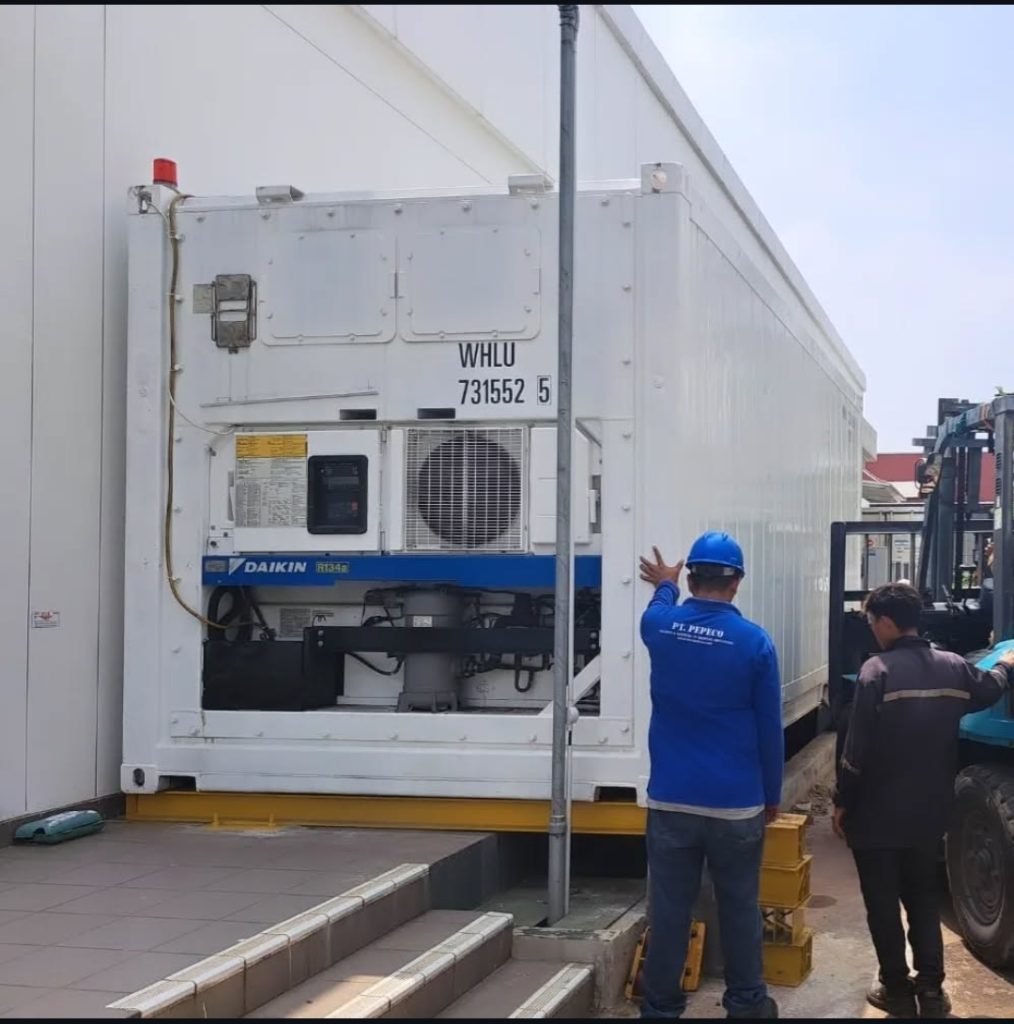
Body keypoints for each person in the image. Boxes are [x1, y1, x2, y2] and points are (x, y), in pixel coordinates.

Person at [833, 582, 1014, 1018]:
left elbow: (855, 755)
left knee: (882, 903)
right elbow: (990, 690)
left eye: (874, 621)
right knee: (923, 899)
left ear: (889, 623)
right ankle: (932, 991)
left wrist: (842, 803)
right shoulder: (953, 667)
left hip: (875, 817)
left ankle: (896, 988)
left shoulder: (876, 672)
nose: (873, 629)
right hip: (930, 814)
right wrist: (1008, 663)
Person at [638, 531, 784, 1020]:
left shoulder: (661, 627)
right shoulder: (755, 642)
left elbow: (659, 604)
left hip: (672, 801)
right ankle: (746, 1004)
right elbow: (769, 727)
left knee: (670, 910)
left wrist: (665, 582)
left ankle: (660, 1008)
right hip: (735, 803)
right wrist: (771, 795)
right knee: (739, 906)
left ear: (693, 577)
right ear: (737, 582)